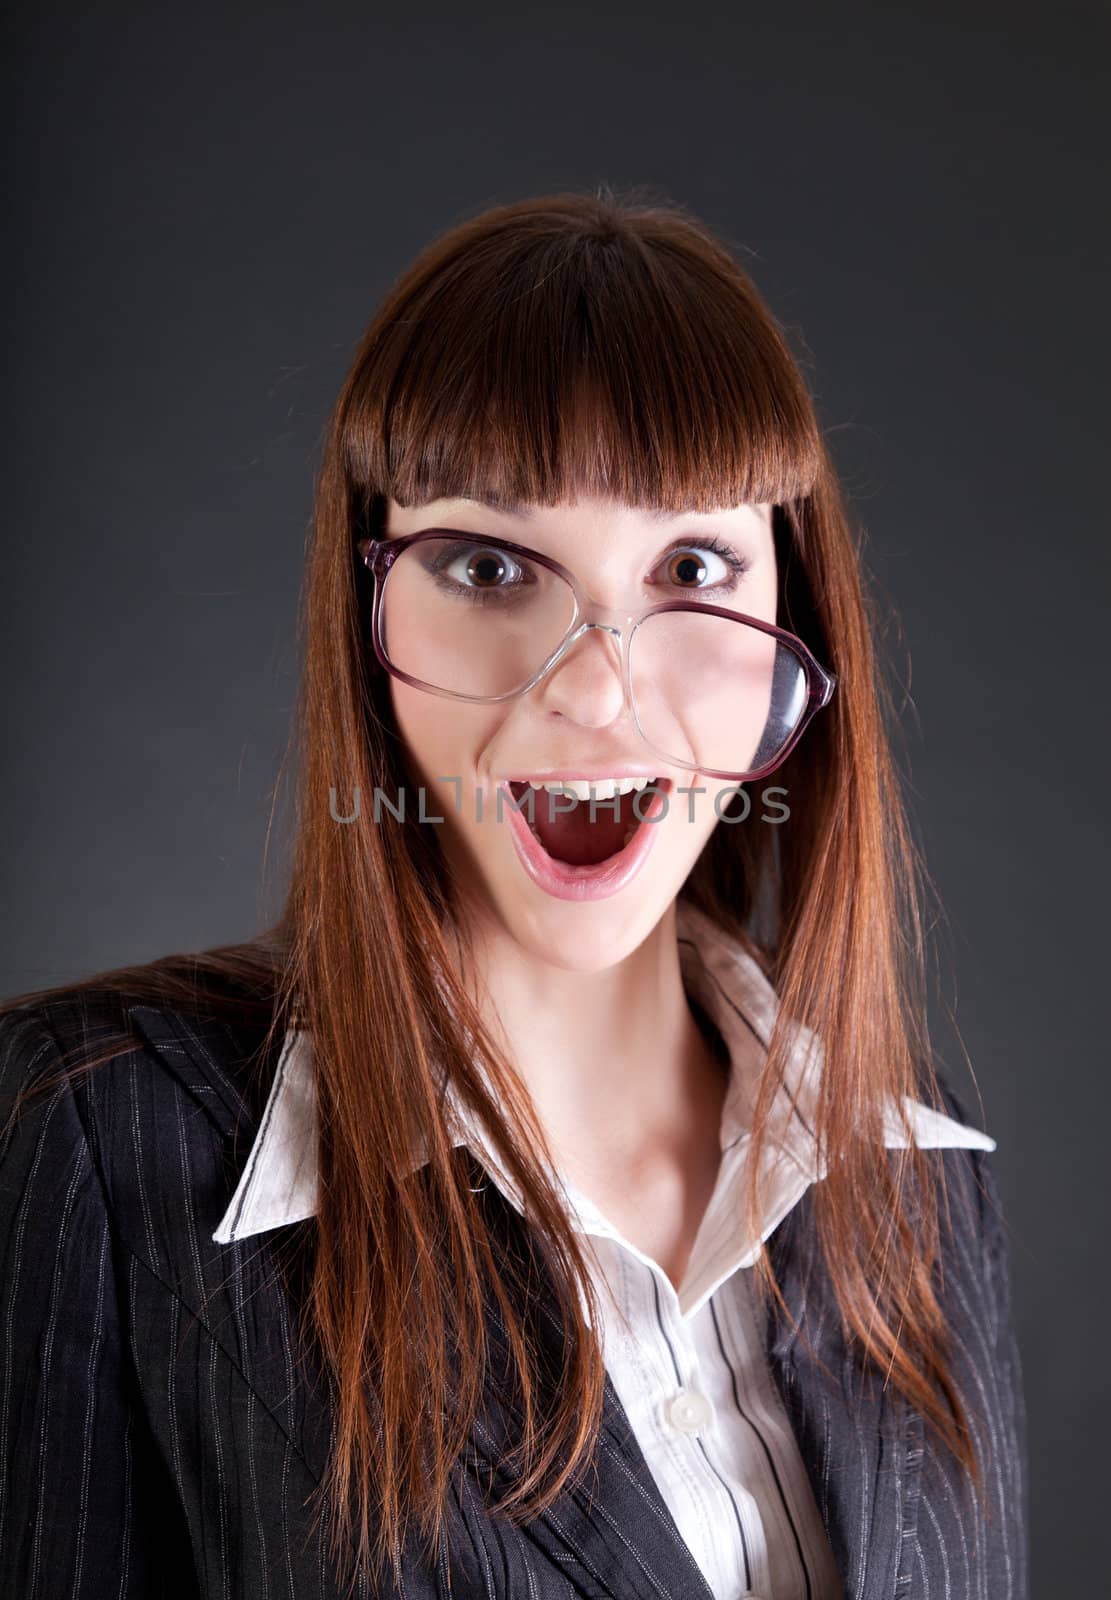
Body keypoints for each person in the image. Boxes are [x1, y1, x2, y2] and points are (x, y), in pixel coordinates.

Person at [0, 189, 1027, 1599]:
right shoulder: (94, 1144)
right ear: (366, 620)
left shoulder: (922, 1179)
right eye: (489, 566)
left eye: (691, 566)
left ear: (796, 620)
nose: (596, 686)